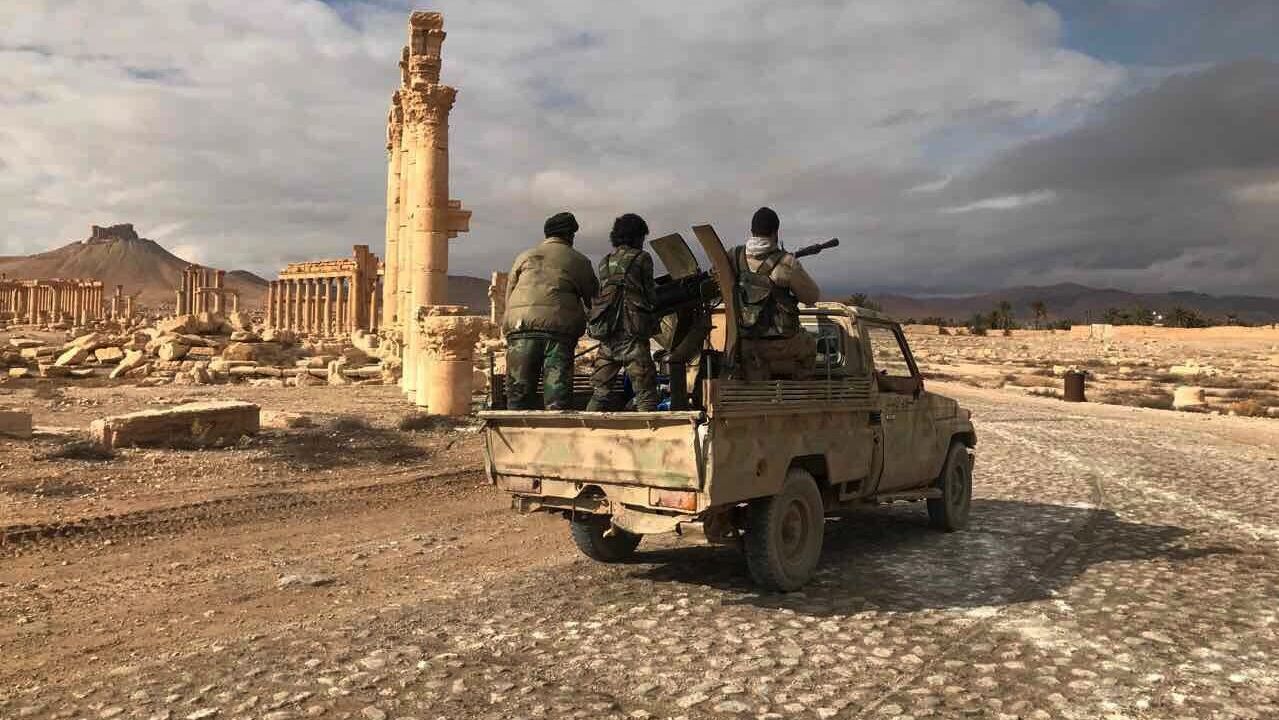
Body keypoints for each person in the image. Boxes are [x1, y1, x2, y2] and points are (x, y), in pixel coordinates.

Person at [502, 211, 599, 410]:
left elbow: (509, 293)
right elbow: (594, 299)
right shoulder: (578, 260)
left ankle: (515, 428)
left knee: (518, 394)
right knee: (557, 399)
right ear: (570, 235)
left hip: (520, 328)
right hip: (558, 332)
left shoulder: (524, 256)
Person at [731, 206, 821, 380]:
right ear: (775, 233)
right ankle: (800, 391)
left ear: (752, 231)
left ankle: (757, 383)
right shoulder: (786, 262)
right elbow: (812, 297)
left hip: (744, 343)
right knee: (809, 345)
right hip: (781, 344)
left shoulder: (733, 257)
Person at [586, 213, 659, 411]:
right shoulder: (642, 258)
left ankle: (589, 426)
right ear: (637, 236)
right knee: (645, 393)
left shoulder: (604, 262)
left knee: (600, 392)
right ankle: (649, 429)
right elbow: (651, 296)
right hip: (632, 335)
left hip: (608, 336)